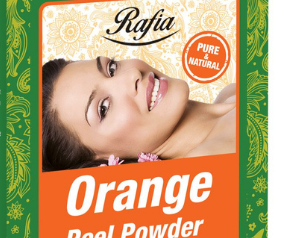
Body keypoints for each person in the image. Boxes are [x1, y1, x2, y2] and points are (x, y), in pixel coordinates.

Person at [42, 56, 236, 172]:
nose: (132, 74)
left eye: (111, 68)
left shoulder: (229, 95)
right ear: (103, 161)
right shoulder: (210, 166)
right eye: (103, 108)